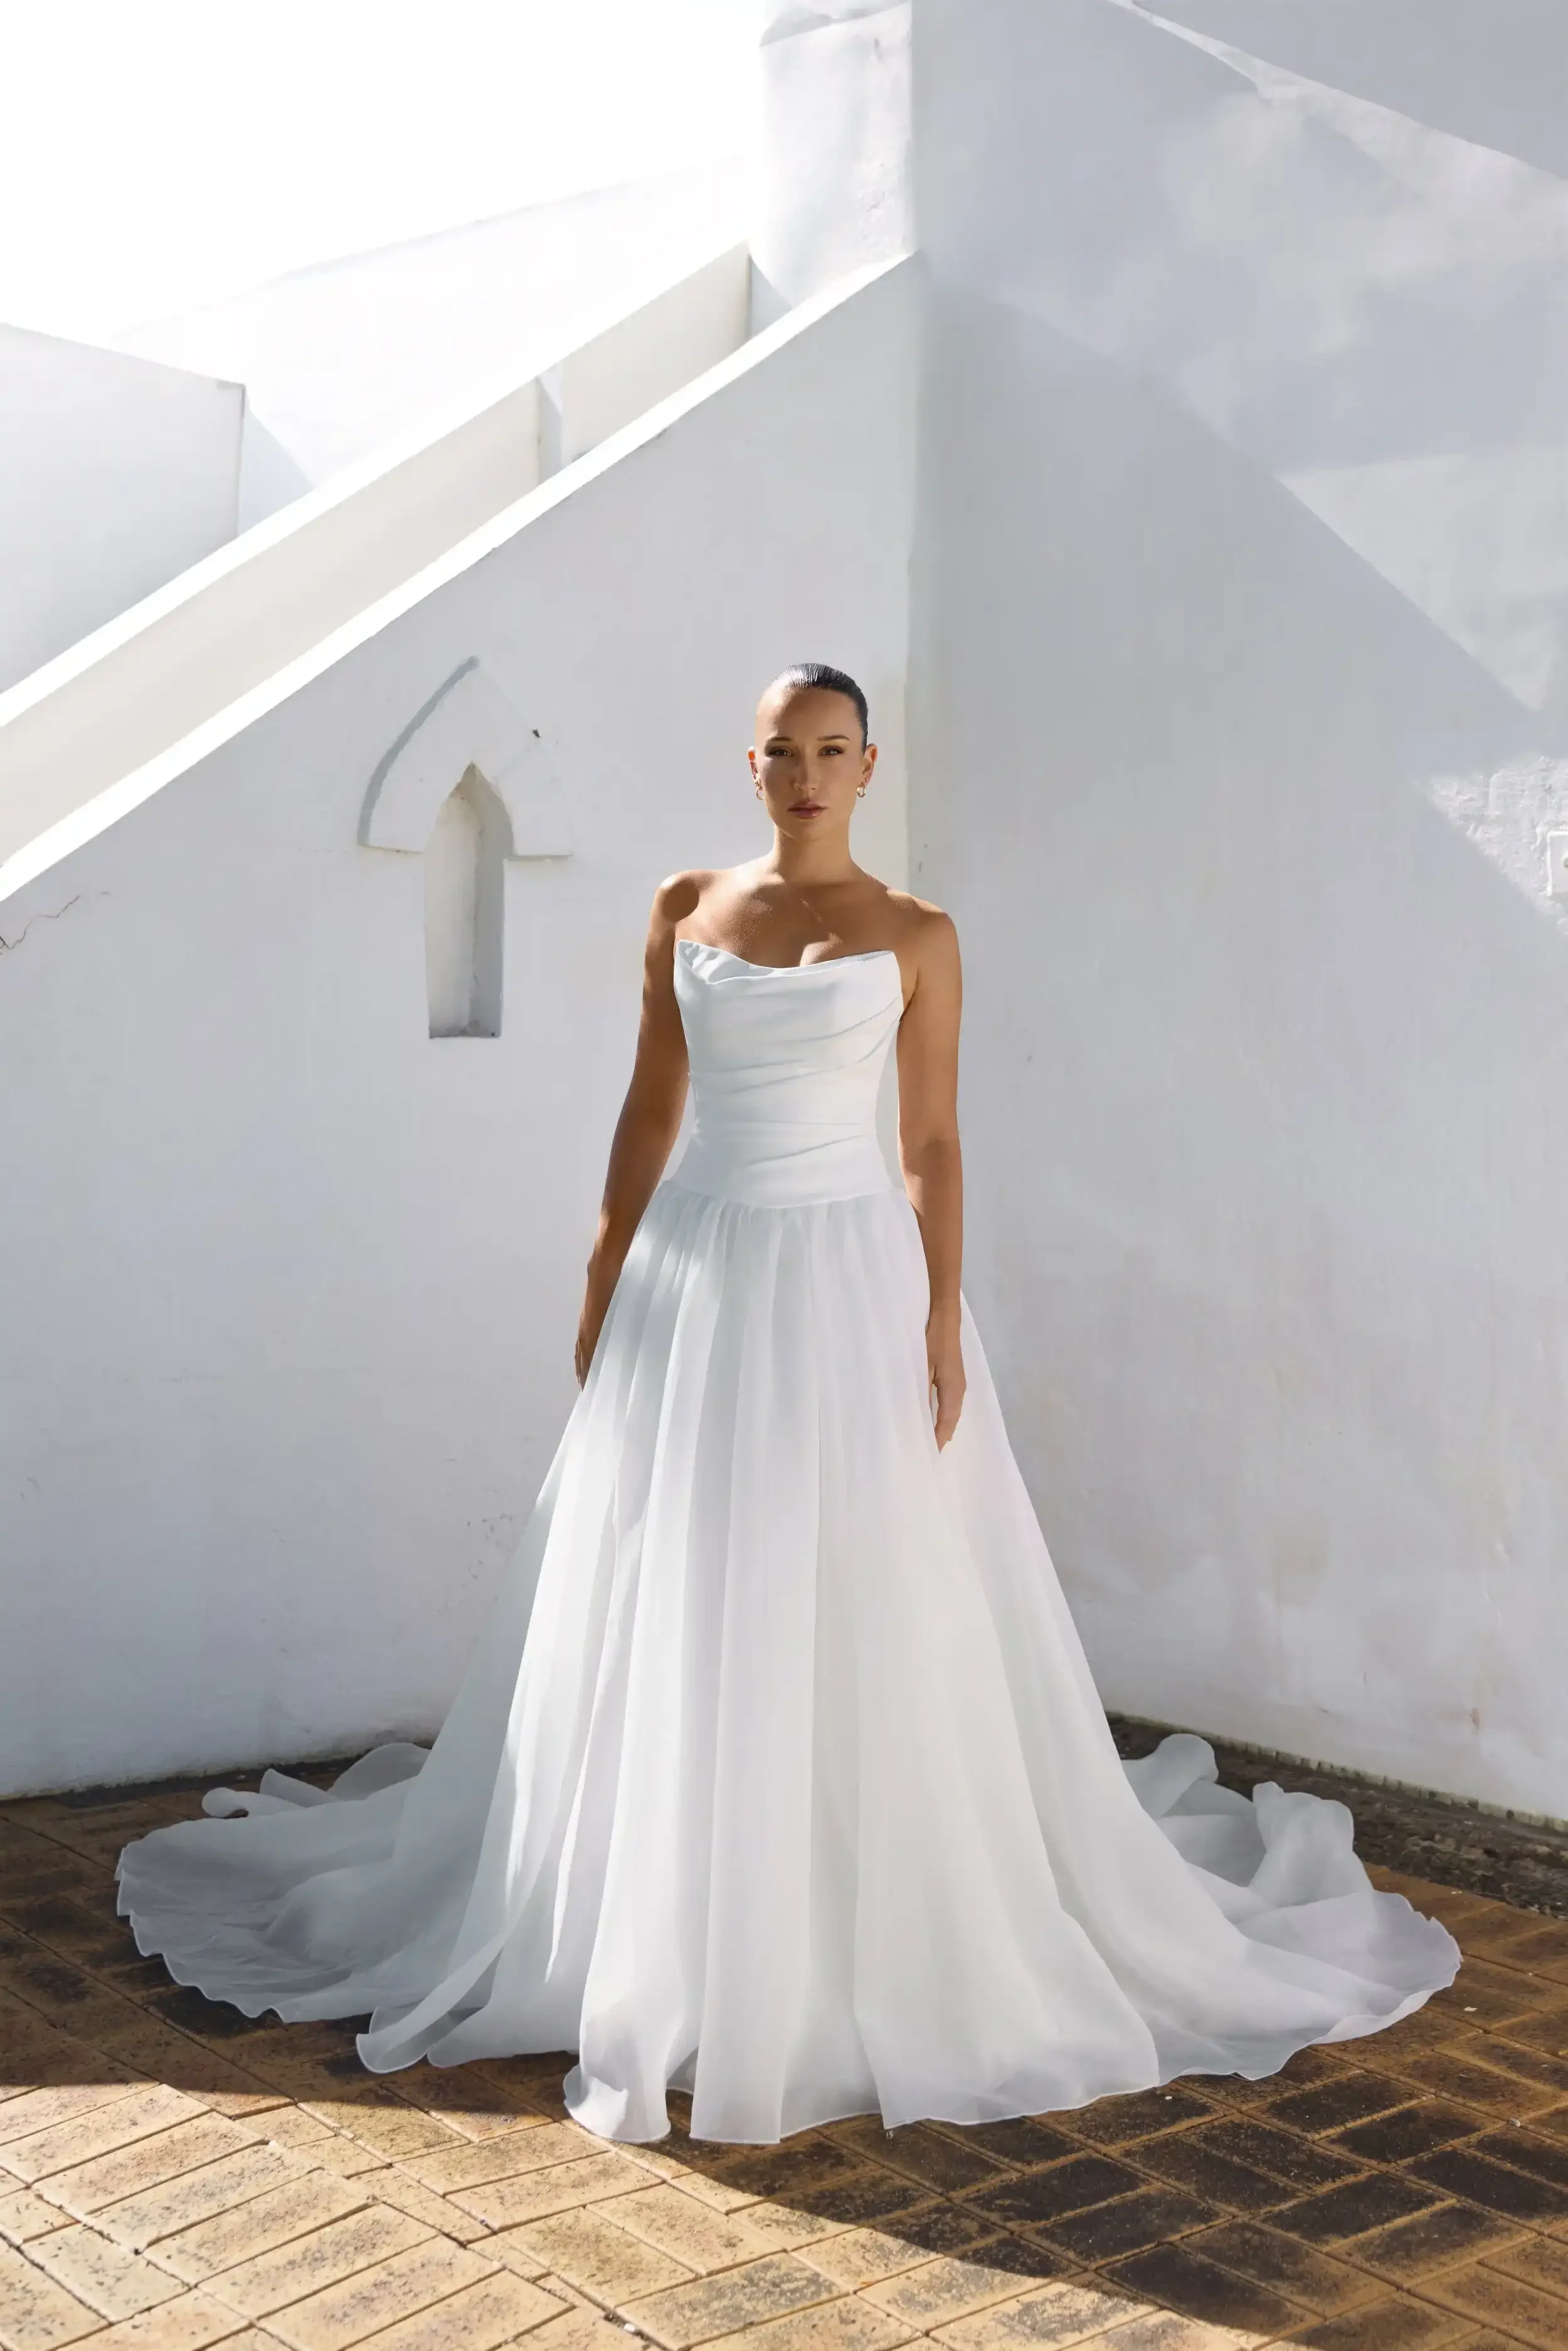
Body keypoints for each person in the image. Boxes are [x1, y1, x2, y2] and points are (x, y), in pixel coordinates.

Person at [118, 662, 1459, 2148]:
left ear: (868, 765)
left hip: (847, 1282)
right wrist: (602, 1266)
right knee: (684, 1574)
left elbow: (931, 1139)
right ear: (746, 764)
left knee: (860, 1583)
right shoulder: (686, 905)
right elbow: (651, 1104)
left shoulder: (917, 933)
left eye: (831, 750)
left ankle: (835, 1922)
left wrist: (938, 1313)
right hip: (695, 1274)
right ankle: (660, 1914)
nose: (805, 775)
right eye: (781, 752)